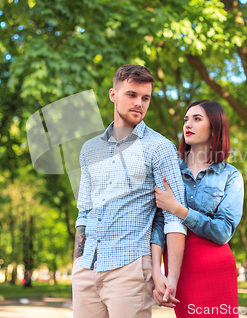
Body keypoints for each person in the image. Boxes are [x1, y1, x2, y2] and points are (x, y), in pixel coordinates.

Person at [72, 64, 187, 318]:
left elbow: (174, 217)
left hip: (130, 269)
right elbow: (84, 213)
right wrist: (77, 265)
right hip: (86, 268)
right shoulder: (89, 149)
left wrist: (170, 276)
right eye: (132, 95)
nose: (139, 103)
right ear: (113, 94)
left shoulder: (159, 148)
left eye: (145, 98)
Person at [151, 100, 244, 317]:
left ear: (215, 128)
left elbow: (223, 232)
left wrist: (179, 209)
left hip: (217, 266)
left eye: (196, 119)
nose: (187, 125)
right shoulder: (170, 169)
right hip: (180, 266)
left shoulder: (230, 176)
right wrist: (158, 270)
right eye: (186, 120)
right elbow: (157, 223)